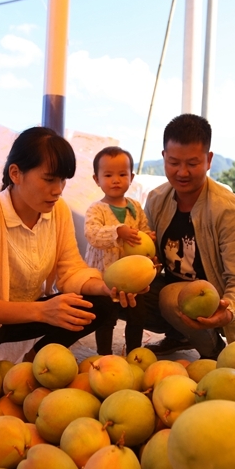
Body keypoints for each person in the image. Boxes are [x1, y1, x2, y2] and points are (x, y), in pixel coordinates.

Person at [0, 126, 136, 374]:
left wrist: (107, 287)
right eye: (49, 179)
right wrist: (43, 311)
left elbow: (70, 270)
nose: (58, 189)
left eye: (63, 180)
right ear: (16, 173)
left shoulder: (58, 211)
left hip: (34, 313)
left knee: (101, 303)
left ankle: (36, 363)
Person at [135, 113, 235, 359]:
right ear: (163, 158)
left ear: (209, 160)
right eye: (173, 162)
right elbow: (149, 259)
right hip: (173, 291)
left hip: (212, 300)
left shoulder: (227, 209)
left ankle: (214, 351)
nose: (182, 172)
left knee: (172, 297)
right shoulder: (157, 199)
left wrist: (228, 310)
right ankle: (179, 335)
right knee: (123, 289)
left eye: (192, 163)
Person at [84, 146, 155, 355]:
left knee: (137, 315)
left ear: (131, 177)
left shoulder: (135, 206)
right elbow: (93, 234)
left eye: (122, 174)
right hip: (105, 277)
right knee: (106, 316)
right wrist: (118, 231)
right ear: (96, 179)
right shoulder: (96, 209)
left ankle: (134, 352)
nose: (116, 180)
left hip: (134, 276)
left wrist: (148, 238)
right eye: (108, 175)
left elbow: (143, 230)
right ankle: (104, 354)